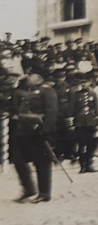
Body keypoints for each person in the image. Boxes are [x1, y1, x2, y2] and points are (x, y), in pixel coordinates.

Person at [10, 71, 58, 202]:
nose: (27, 78)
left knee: (42, 162)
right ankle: (29, 189)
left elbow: (51, 111)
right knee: (18, 159)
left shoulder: (47, 91)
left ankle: (44, 193)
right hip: (25, 132)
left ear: (38, 77)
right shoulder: (32, 91)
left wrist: (45, 130)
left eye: (30, 76)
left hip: (38, 132)